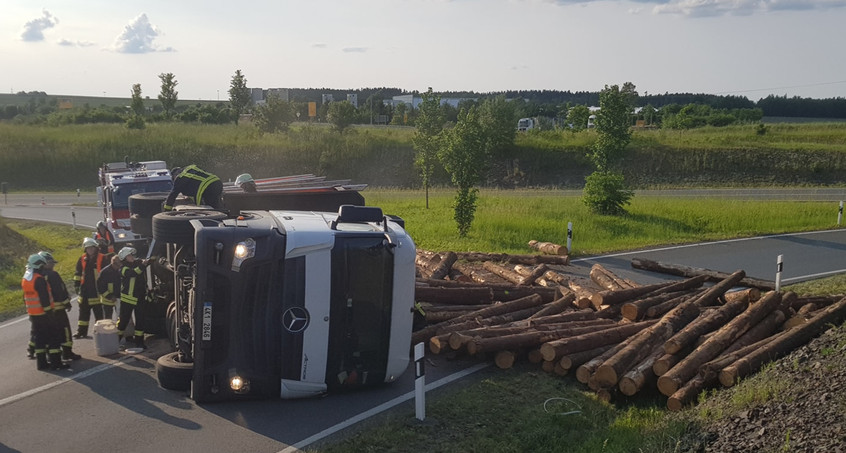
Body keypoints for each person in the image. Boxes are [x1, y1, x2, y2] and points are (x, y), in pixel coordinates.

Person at [22, 254, 68, 370]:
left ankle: (41, 364)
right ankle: (56, 363)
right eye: (42, 266)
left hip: (33, 314)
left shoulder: (27, 279)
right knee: (54, 338)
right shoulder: (39, 280)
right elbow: (44, 299)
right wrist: (50, 313)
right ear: (39, 266)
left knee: (40, 340)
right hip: (44, 314)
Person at [39, 251, 82, 361]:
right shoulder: (53, 275)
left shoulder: (36, 276)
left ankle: (51, 356)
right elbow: (60, 290)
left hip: (44, 311)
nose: (53, 265)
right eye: (50, 263)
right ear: (44, 263)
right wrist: (67, 302)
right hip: (58, 309)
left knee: (50, 332)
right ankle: (67, 353)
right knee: (65, 330)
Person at [73, 237, 108, 338]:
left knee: (99, 313)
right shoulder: (82, 258)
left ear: (96, 248)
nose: (90, 250)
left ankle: (100, 332)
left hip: (96, 290)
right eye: (88, 248)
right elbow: (78, 273)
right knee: (83, 313)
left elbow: (105, 274)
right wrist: (76, 285)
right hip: (84, 290)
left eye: (92, 248)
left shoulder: (102, 258)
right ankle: (81, 332)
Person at [117, 247, 149, 350]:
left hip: (139, 298)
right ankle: (115, 341)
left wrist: (147, 261)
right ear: (124, 258)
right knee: (123, 321)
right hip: (128, 299)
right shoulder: (123, 269)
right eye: (129, 255)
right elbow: (133, 273)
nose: (132, 257)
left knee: (140, 321)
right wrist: (143, 265)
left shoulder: (137, 263)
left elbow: (142, 266)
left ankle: (139, 342)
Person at [97, 254, 123, 320]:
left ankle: (120, 329)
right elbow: (101, 287)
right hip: (107, 300)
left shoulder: (120, 270)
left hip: (119, 299)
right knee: (108, 319)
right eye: (118, 265)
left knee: (121, 317)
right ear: (113, 263)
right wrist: (110, 296)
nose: (119, 267)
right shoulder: (105, 272)